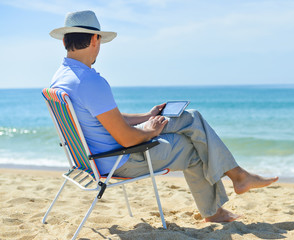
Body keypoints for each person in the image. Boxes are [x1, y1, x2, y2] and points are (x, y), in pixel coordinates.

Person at [50, 10, 278, 222]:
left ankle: (238, 177)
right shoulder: (91, 82)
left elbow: (108, 118)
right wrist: (151, 130)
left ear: (64, 41)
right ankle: (217, 206)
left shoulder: (63, 78)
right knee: (194, 147)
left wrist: (147, 117)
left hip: (93, 159)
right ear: (94, 40)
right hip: (120, 159)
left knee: (190, 117)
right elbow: (127, 140)